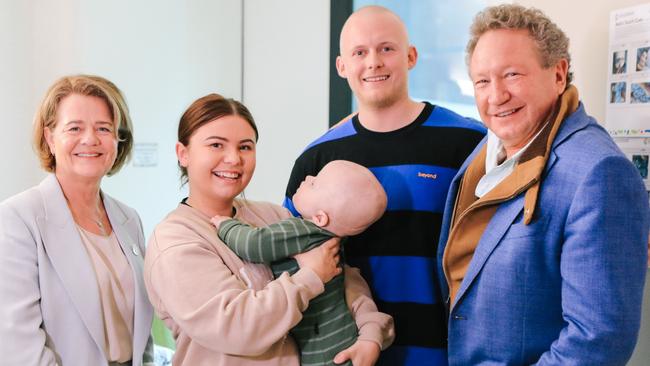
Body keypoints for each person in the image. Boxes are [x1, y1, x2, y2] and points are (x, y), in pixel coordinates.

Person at [437, 4, 649, 365]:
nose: (496, 95)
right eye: (483, 81)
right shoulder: (490, 148)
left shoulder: (599, 173)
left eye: (512, 74)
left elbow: (599, 339)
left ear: (559, 73)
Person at [284, 5, 485, 365]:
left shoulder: (468, 143)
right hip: (345, 353)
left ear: (410, 56)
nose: (374, 62)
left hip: (446, 353)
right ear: (342, 66)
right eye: (360, 52)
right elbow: (291, 259)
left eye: (386, 49)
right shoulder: (315, 159)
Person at [143, 94, 394, 366]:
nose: (233, 158)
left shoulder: (273, 215)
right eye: (216, 144)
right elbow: (238, 328)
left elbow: (342, 279)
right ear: (183, 153)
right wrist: (310, 276)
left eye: (245, 147)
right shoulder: (175, 241)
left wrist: (370, 333)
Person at [0, 75, 154, 365]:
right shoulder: (18, 218)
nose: (90, 139)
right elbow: (18, 346)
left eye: (103, 128)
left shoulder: (129, 219)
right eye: (75, 128)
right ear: (50, 138)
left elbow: (141, 331)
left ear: (117, 140)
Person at [212, 160, 390, 366]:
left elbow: (255, 244)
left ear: (320, 217)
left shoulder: (302, 231)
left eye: (315, 183)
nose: (307, 178)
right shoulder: (332, 238)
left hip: (322, 348)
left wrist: (226, 226)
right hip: (343, 335)